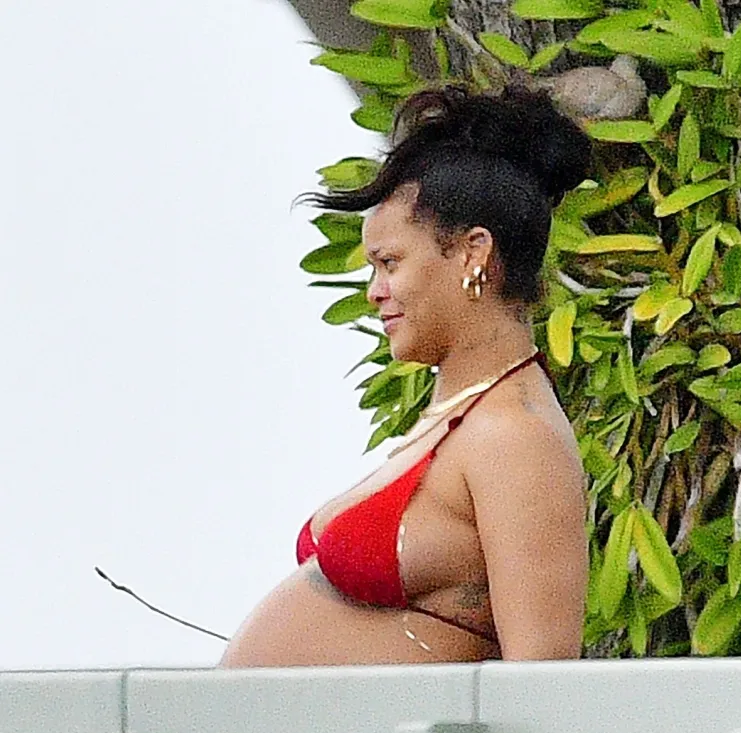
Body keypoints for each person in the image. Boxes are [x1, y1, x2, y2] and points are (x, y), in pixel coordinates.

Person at [218, 83, 591, 668]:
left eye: (390, 263)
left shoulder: (515, 436)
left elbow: (540, 680)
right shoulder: (461, 418)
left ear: (473, 253)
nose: (374, 292)